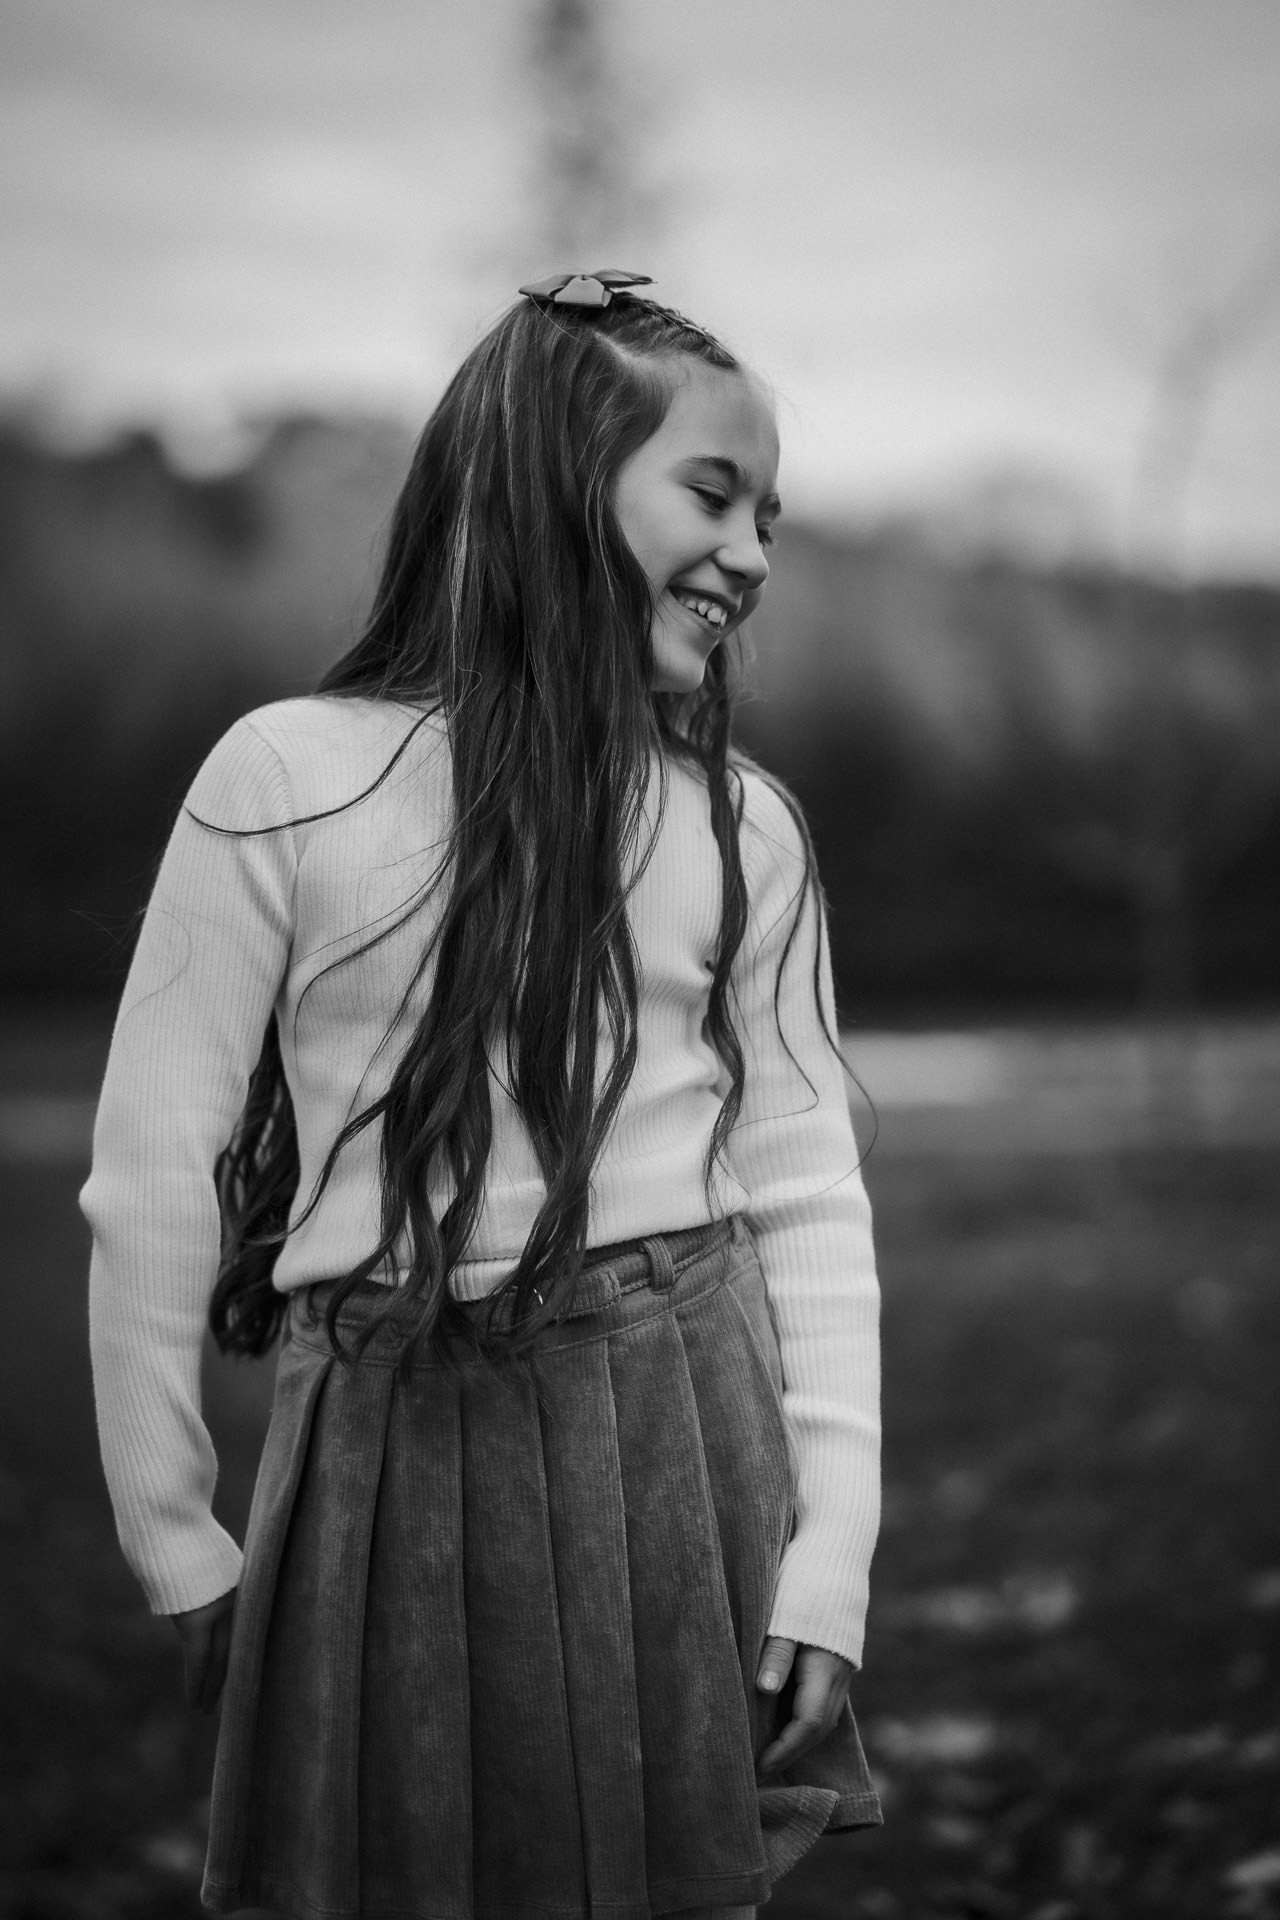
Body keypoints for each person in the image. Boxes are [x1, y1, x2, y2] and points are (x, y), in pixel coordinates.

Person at [83, 269, 882, 1920]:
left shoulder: (746, 828)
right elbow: (152, 1168)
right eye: (712, 494)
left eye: (772, 518)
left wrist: (833, 1547)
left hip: (679, 1423)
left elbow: (804, 1179)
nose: (750, 552)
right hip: (387, 1443)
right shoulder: (288, 778)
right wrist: (175, 1529)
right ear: (548, 485)